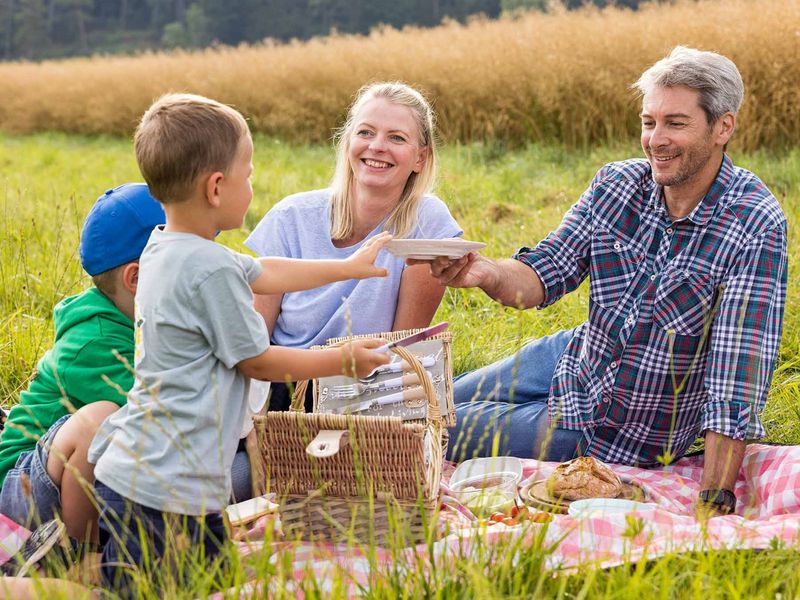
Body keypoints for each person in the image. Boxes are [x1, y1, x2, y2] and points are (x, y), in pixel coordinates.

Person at [417, 47, 787, 516]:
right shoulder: (616, 184)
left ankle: (333, 438)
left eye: (675, 123)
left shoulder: (753, 222)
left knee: (425, 428)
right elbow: (544, 272)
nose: (656, 140)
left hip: (605, 426)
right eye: (649, 122)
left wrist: (713, 502)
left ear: (723, 127)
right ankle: (311, 421)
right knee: (426, 394)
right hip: (572, 354)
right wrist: (485, 273)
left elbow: (737, 378)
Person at [87, 93, 392, 594]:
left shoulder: (170, 245)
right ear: (216, 187)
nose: (252, 185)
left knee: (211, 581)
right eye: (247, 175)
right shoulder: (208, 272)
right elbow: (259, 361)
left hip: (163, 479)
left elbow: (266, 270)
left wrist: (350, 263)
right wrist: (342, 359)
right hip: (165, 493)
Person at [245, 81, 462, 411]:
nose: (377, 146)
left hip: (369, 390)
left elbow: (403, 350)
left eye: (396, 137)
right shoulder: (290, 217)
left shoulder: (428, 223)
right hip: (284, 387)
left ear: (420, 158)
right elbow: (256, 340)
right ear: (348, 142)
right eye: (365, 132)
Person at [0, 184, 165, 544]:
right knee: (100, 420)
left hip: (58, 474)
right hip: (20, 486)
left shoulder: (133, 318)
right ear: (135, 278)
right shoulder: (96, 342)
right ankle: (81, 553)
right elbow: (155, 418)